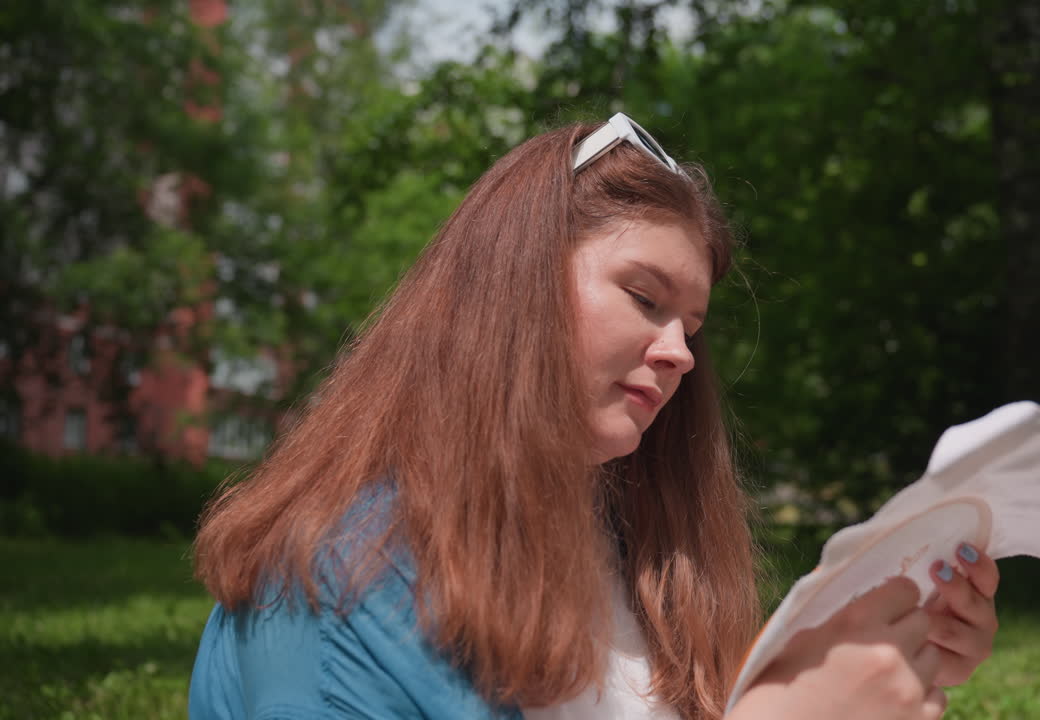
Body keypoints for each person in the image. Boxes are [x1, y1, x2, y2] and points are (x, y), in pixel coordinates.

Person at [188, 113, 999, 720]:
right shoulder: (337, 578)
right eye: (645, 298)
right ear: (514, 282)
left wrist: (861, 667)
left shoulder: (640, 554)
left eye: (691, 326)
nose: (679, 352)